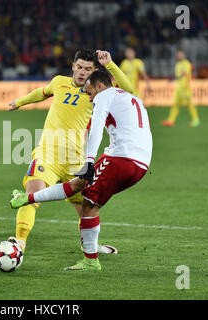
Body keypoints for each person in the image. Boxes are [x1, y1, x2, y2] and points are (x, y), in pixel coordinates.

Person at [10, 70, 153, 271]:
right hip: (141, 163)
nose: (89, 97)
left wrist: (89, 161)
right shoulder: (130, 97)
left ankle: (90, 261)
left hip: (121, 158)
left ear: (99, 86)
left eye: (89, 92)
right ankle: (28, 199)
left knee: (88, 205)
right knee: (81, 188)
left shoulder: (103, 96)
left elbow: (95, 130)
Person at [161, 50, 200, 127]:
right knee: (175, 104)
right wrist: (174, 80)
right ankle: (170, 121)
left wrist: (173, 79)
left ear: (184, 55)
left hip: (185, 88)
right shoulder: (178, 64)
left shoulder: (186, 63)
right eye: (178, 55)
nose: (179, 56)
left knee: (189, 104)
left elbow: (183, 74)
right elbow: (178, 76)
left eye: (181, 55)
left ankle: (196, 120)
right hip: (178, 88)